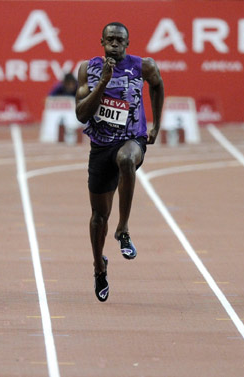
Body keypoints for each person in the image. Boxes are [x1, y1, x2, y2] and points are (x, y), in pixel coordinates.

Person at [75, 22, 164, 302]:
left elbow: (158, 86)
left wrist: (156, 127)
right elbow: (81, 114)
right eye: (110, 39)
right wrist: (102, 81)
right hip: (100, 146)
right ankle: (99, 266)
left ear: (127, 43)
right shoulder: (87, 69)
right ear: (101, 41)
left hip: (131, 139)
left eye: (120, 40)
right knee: (98, 217)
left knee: (127, 160)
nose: (114, 44)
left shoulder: (143, 66)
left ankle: (123, 229)